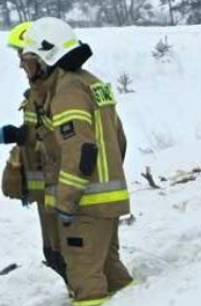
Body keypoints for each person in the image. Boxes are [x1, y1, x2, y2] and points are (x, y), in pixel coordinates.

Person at [6, 19, 131, 303]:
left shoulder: (67, 92)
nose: (24, 69)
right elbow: (118, 140)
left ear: (46, 58)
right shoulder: (92, 83)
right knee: (113, 275)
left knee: (86, 285)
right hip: (106, 201)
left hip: (85, 205)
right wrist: (108, 178)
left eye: (27, 62)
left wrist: (66, 201)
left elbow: (80, 151)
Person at [2, 22, 66, 285]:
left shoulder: (61, 91)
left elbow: (60, 139)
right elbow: (37, 131)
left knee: (66, 253)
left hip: (60, 188)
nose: (20, 63)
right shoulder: (35, 92)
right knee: (52, 252)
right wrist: (17, 136)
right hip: (43, 191)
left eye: (22, 56)